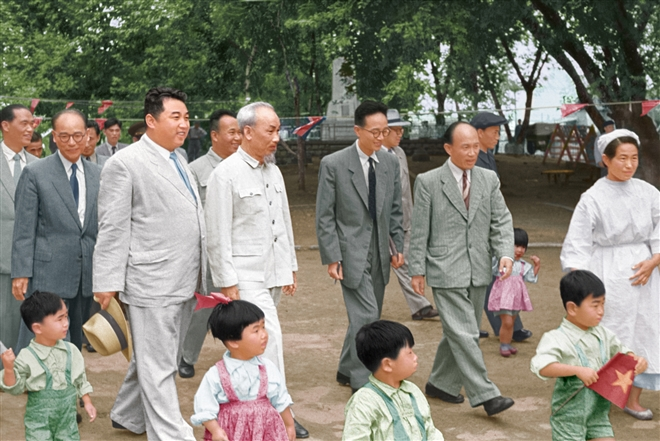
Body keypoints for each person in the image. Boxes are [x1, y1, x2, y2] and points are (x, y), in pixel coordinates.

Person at [93, 87, 205, 440]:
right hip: (151, 279)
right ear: (150, 121)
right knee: (159, 366)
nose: (184, 124)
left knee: (158, 357)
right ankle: (172, 433)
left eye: (186, 117)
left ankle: (128, 413)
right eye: (176, 117)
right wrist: (106, 281)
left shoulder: (180, 158)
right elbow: (112, 227)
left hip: (186, 277)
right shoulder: (124, 164)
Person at [205, 101, 308, 438]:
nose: (277, 137)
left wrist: (289, 266)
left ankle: (250, 410)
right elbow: (217, 233)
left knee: (254, 347)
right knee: (270, 340)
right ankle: (281, 414)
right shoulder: (225, 173)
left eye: (278, 130)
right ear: (247, 132)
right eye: (271, 130)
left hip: (272, 271)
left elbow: (284, 222)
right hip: (244, 276)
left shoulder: (273, 171)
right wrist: (227, 282)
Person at [409, 121, 515, 416]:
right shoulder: (429, 181)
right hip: (445, 268)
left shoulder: (488, 179)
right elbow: (419, 231)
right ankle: (485, 393)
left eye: (475, 147)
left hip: (479, 267)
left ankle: (441, 383)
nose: (472, 153)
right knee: (467, 332)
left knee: (457, 332)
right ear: (448, 148)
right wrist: (416, 270)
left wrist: (505, 252)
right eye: (465, 147)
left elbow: (501, 221)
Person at [560, 128, 660, 420]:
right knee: (611, 330)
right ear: (606, 159)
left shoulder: (648, 192)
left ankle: (634, 396)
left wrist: (655, 260)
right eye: (622, 158)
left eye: (634, 158)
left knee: (645, 328)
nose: (629, 165)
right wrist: (581, 286)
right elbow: (577, 241)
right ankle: (600, 393)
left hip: (645, 271)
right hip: (607, 270)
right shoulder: (593, 197)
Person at [316, 100, 404, 391]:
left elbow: (394, 209)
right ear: (358, 130)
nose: (381, 138)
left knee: (366, 316)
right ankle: (360, 379)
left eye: (385, 132)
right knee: (366, 318)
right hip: (349, 253)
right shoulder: (334, 164)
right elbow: (325, 215)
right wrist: (332, 256)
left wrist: (397, 246)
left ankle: (344, 367)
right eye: (375, 132)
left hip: (380, 252)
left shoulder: (390, 162)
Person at [12, 109, 101, 354]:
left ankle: (69, 383)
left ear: (87, 136)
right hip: (47, 271)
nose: (71, 142)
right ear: (54, 137)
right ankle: (34, 382)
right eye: (64, 136)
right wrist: (21, 272)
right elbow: (23, 228)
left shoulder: (99, 174)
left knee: (73, 338)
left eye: (77, 135)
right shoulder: (36, 173)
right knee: (41, 335)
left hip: (85, 273)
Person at [531, 270, 648, 441]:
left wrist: (636, 360)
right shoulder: (556, 338)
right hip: (569, 418)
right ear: (572, 308)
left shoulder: (603, 334)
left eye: (603, 304)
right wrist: (576, 370)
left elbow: (623, 351)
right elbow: (542, 366)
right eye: (595, 305)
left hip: (598, 413)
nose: (601, 311)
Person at [178, 109, 241, 379]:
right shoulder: (195, 171)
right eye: (232, 132)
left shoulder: (245, 167)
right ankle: (186, 356)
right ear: (214, 135)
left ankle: (240, 358)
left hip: (241, 250)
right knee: (204, 309)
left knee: (242, 307)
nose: (238, 137)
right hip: (210, 253)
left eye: (241, 131)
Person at [191, 296, 295, 441]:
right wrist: (215, 430)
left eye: (263, 327)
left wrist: (289, 425)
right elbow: (205, 405)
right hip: (230, 433)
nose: (264, 335)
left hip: (266, 431)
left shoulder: (267, 368)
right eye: (256, 330)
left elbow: (281, 399)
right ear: (233, 341)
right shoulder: (216, 375)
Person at [1, 291, 97, 440]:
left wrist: (87, 401)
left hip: (68, 420)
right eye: (59, 319)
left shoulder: (71, 351)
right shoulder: (27, 356)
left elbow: (80, 379)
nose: (66, 323)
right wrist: (8, 368)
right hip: (39, 422)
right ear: (38, 328)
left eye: (66, 316)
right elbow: (15, 388)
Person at [471, 111, 532, 342]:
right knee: (491, 276)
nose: (497, 136)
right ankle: (506, 327)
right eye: (494, 132)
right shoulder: (474, 157)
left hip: (490, 225)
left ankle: (506, 326)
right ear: (479, 133)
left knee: (492, 276)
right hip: (480, 228)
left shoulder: (487, 155)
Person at [342, 320, 444, 441]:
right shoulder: (363, 402)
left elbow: (429, 428)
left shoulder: (412, 391)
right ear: (387, 364)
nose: (415, 357)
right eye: (409, 353)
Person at [381, 109, 437, 321]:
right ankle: (419, 306)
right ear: (384, 132)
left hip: (405, 219)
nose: (400, 133)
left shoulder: (400, 153)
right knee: (387, 265)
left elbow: (405, 190)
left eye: (401, 129)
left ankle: (420, 306)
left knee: (408, 261)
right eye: (396, 130)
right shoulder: (377, 156)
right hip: (385, 223)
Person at [1, 104, 38, 351]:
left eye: (32, 123)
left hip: (30, 260)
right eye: (24, 123)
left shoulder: (39, 166)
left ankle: (18, 371)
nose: (30, 128)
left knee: (23, 321)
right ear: (5, 125)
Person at [487, 228, 540, 357]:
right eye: (516, 246)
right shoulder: (501, 261)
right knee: (508, 322)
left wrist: (537, 266)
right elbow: (492, 268)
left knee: (511, 321)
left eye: (523, 247)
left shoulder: (523, 265)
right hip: (502, 297)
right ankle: (504, 345)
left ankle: (507, 342)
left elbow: (531, 277)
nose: (520, 250)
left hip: (516, 299)